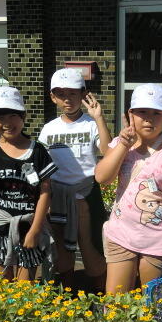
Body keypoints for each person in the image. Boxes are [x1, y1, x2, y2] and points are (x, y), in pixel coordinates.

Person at [95, 83, 162, 294]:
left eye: (156, 113)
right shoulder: (120, 144)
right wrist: (123, 145)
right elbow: (102, 177)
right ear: (131, 114)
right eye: (142, 112)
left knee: (152, 303)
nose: (149, 119)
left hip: (157, 240)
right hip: (120, 234)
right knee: (116, 302)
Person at [38, 68, 112, 291]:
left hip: (87, 194)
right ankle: (68, 293)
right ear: (53, 97)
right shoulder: (49, 129)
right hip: (58, 197)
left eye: (73, 93)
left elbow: (107, 151)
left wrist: (99, 118)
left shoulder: (91, 124)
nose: (67, 99)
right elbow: (42, 164)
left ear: (83, 94)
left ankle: (100, 294)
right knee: (62, 248)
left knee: (92, 246)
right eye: (61, 94)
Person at [0, 86, 57, 280]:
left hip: (28, 225)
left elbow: (45, 192)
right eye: (0, 117)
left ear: (23, 117)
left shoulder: (38, 151)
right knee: (0, 286)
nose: (7, 123)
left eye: (13, 115)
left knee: (24, 288)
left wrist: (36, 230)